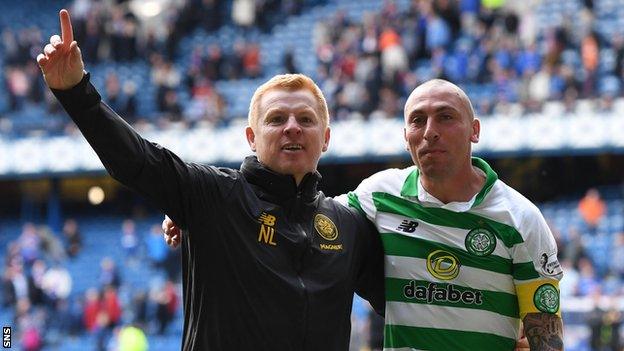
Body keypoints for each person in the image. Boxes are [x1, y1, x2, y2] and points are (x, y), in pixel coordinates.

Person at [37, 9, 384, 351]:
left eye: (305, 119)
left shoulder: (348, 226)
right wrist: (76, 93)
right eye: (276, 118)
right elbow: (138, 161)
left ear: (325, 138)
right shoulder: (213, 196)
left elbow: (403, 300)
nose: (292, 126)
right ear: (252, 137)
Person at [164, 81, 555, 349]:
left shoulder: (521, 219)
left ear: (475, 130)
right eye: (417, 120)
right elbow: (299, 212)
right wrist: (206, 214)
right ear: (405, 135)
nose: (430, 131)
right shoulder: (378, 196)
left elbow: (546, 332)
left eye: (446, 117)